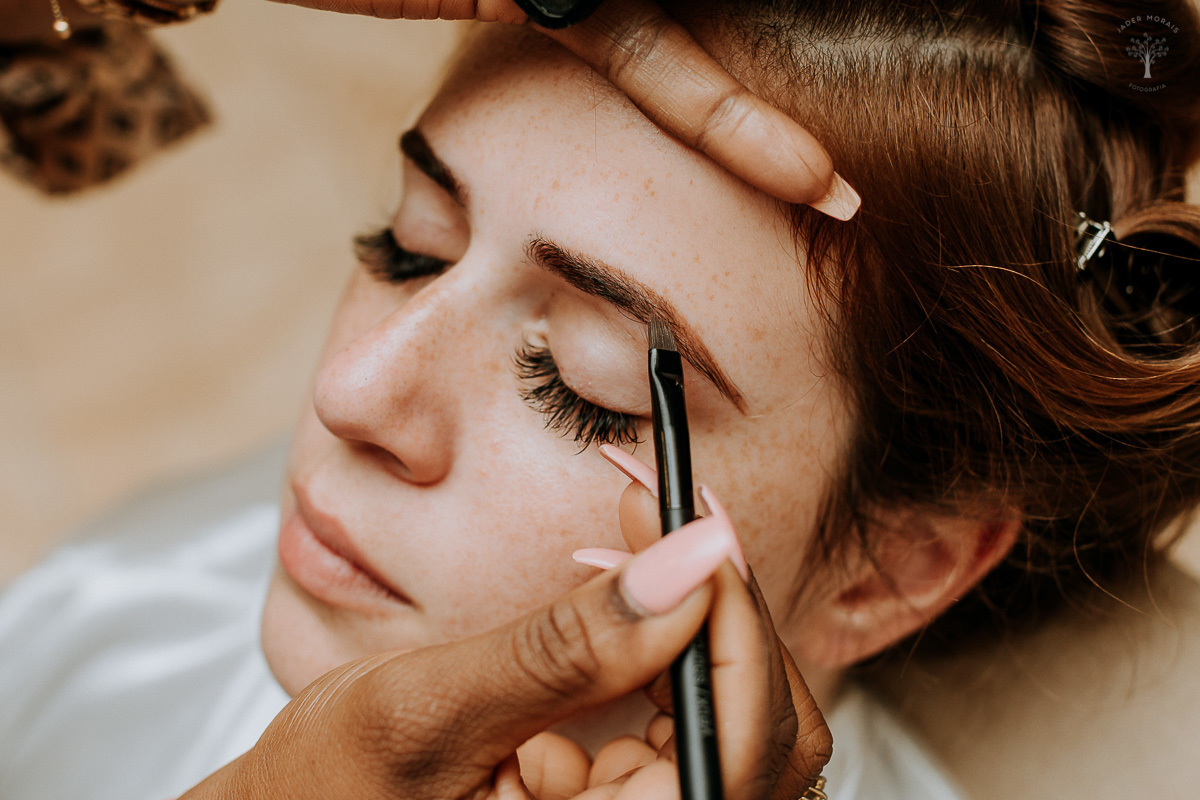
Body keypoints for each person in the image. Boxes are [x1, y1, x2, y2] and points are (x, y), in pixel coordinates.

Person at [2, 1, 1199, 799]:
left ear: (895, 565)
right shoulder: (143, 599)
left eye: (583, 387)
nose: (351, 389)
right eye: (409, 245)